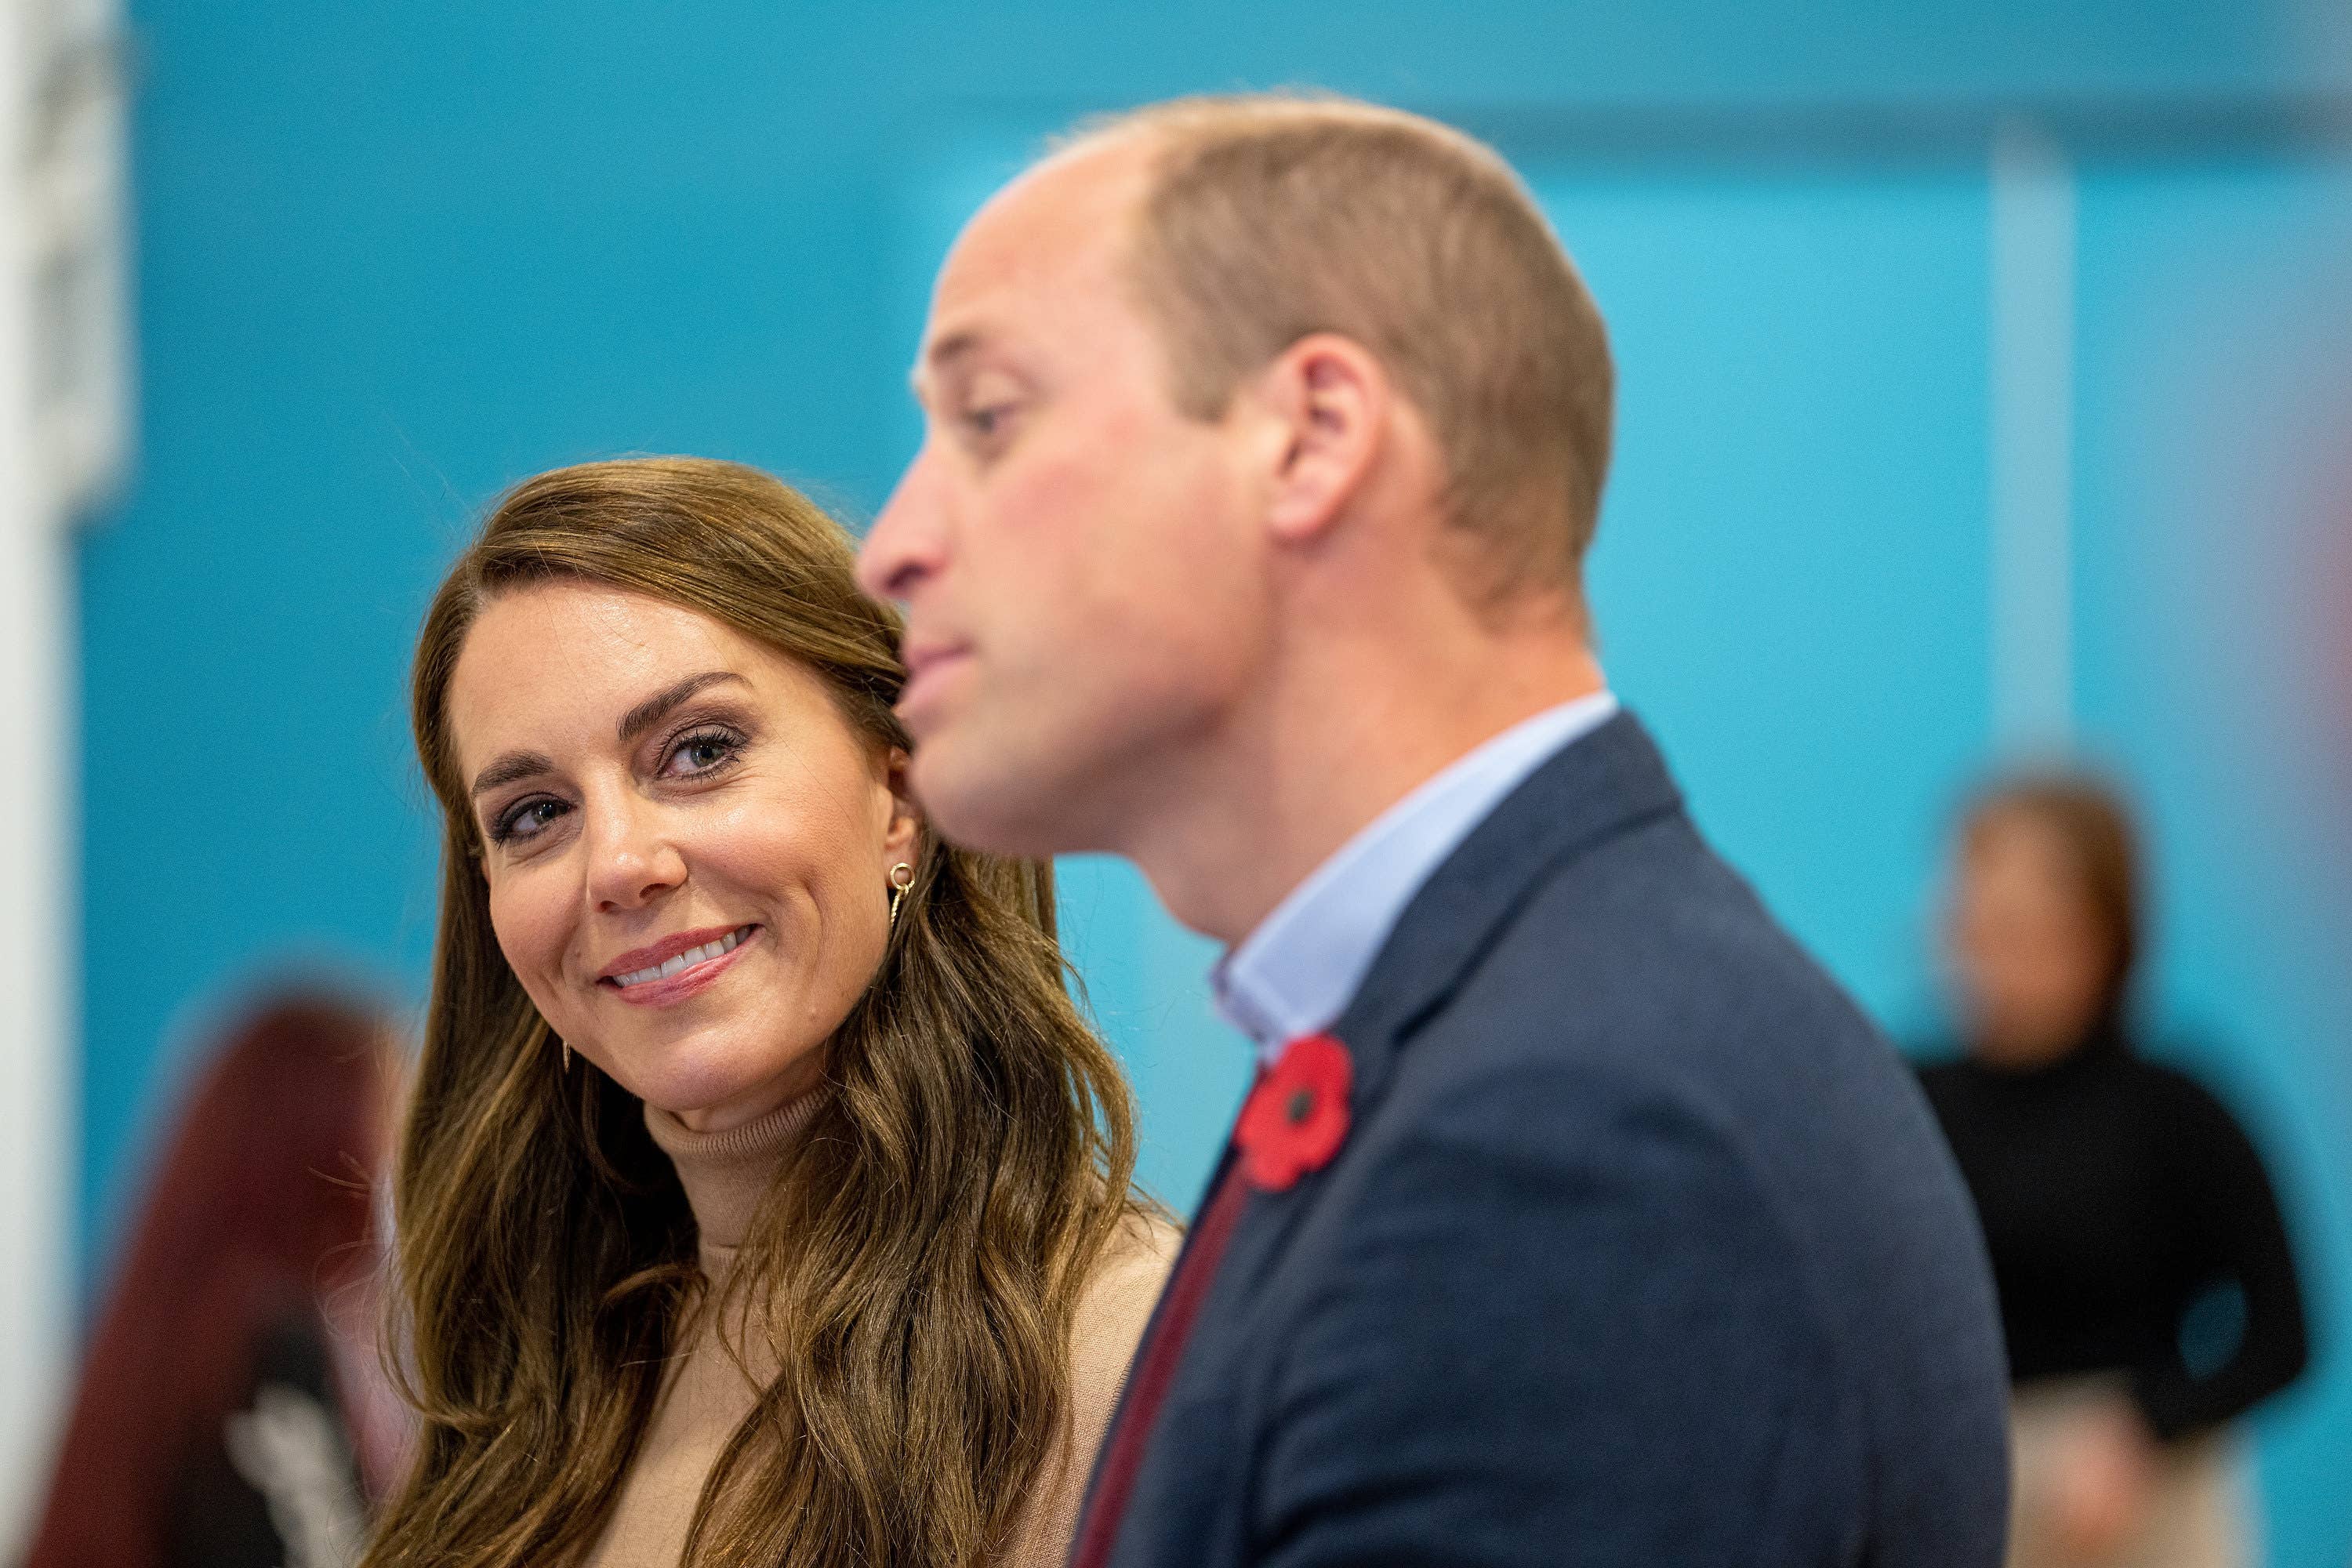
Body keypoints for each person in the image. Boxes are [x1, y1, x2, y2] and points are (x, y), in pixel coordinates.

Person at [856, 93, 2011, 1568]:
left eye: (989, 420)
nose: (893, 540)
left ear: (1311, 437)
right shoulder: (1507, 1035)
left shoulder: (1572, 1139)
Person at [364, 459, 1176, 1568]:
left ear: (899, 797)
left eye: (699, 753)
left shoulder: (1136, 1354)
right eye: (536, 813)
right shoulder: (528, 1394)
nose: (621, 864)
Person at [1919, 773, 2308, 1568]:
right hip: (1966, 1483)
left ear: (2103, 933)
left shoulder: (2177, 1110)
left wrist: (2149, 1424)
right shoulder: (1904, 1100)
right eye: (1981, 912)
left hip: (2136, 1499)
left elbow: (2283, 1332)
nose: (1995, 941)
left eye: (2030, 920)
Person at [25, 991, 408, 1568]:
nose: (408, 1157)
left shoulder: (186, 1345)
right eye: (394, 1114)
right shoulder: (272, 1358)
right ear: (327, 1142)